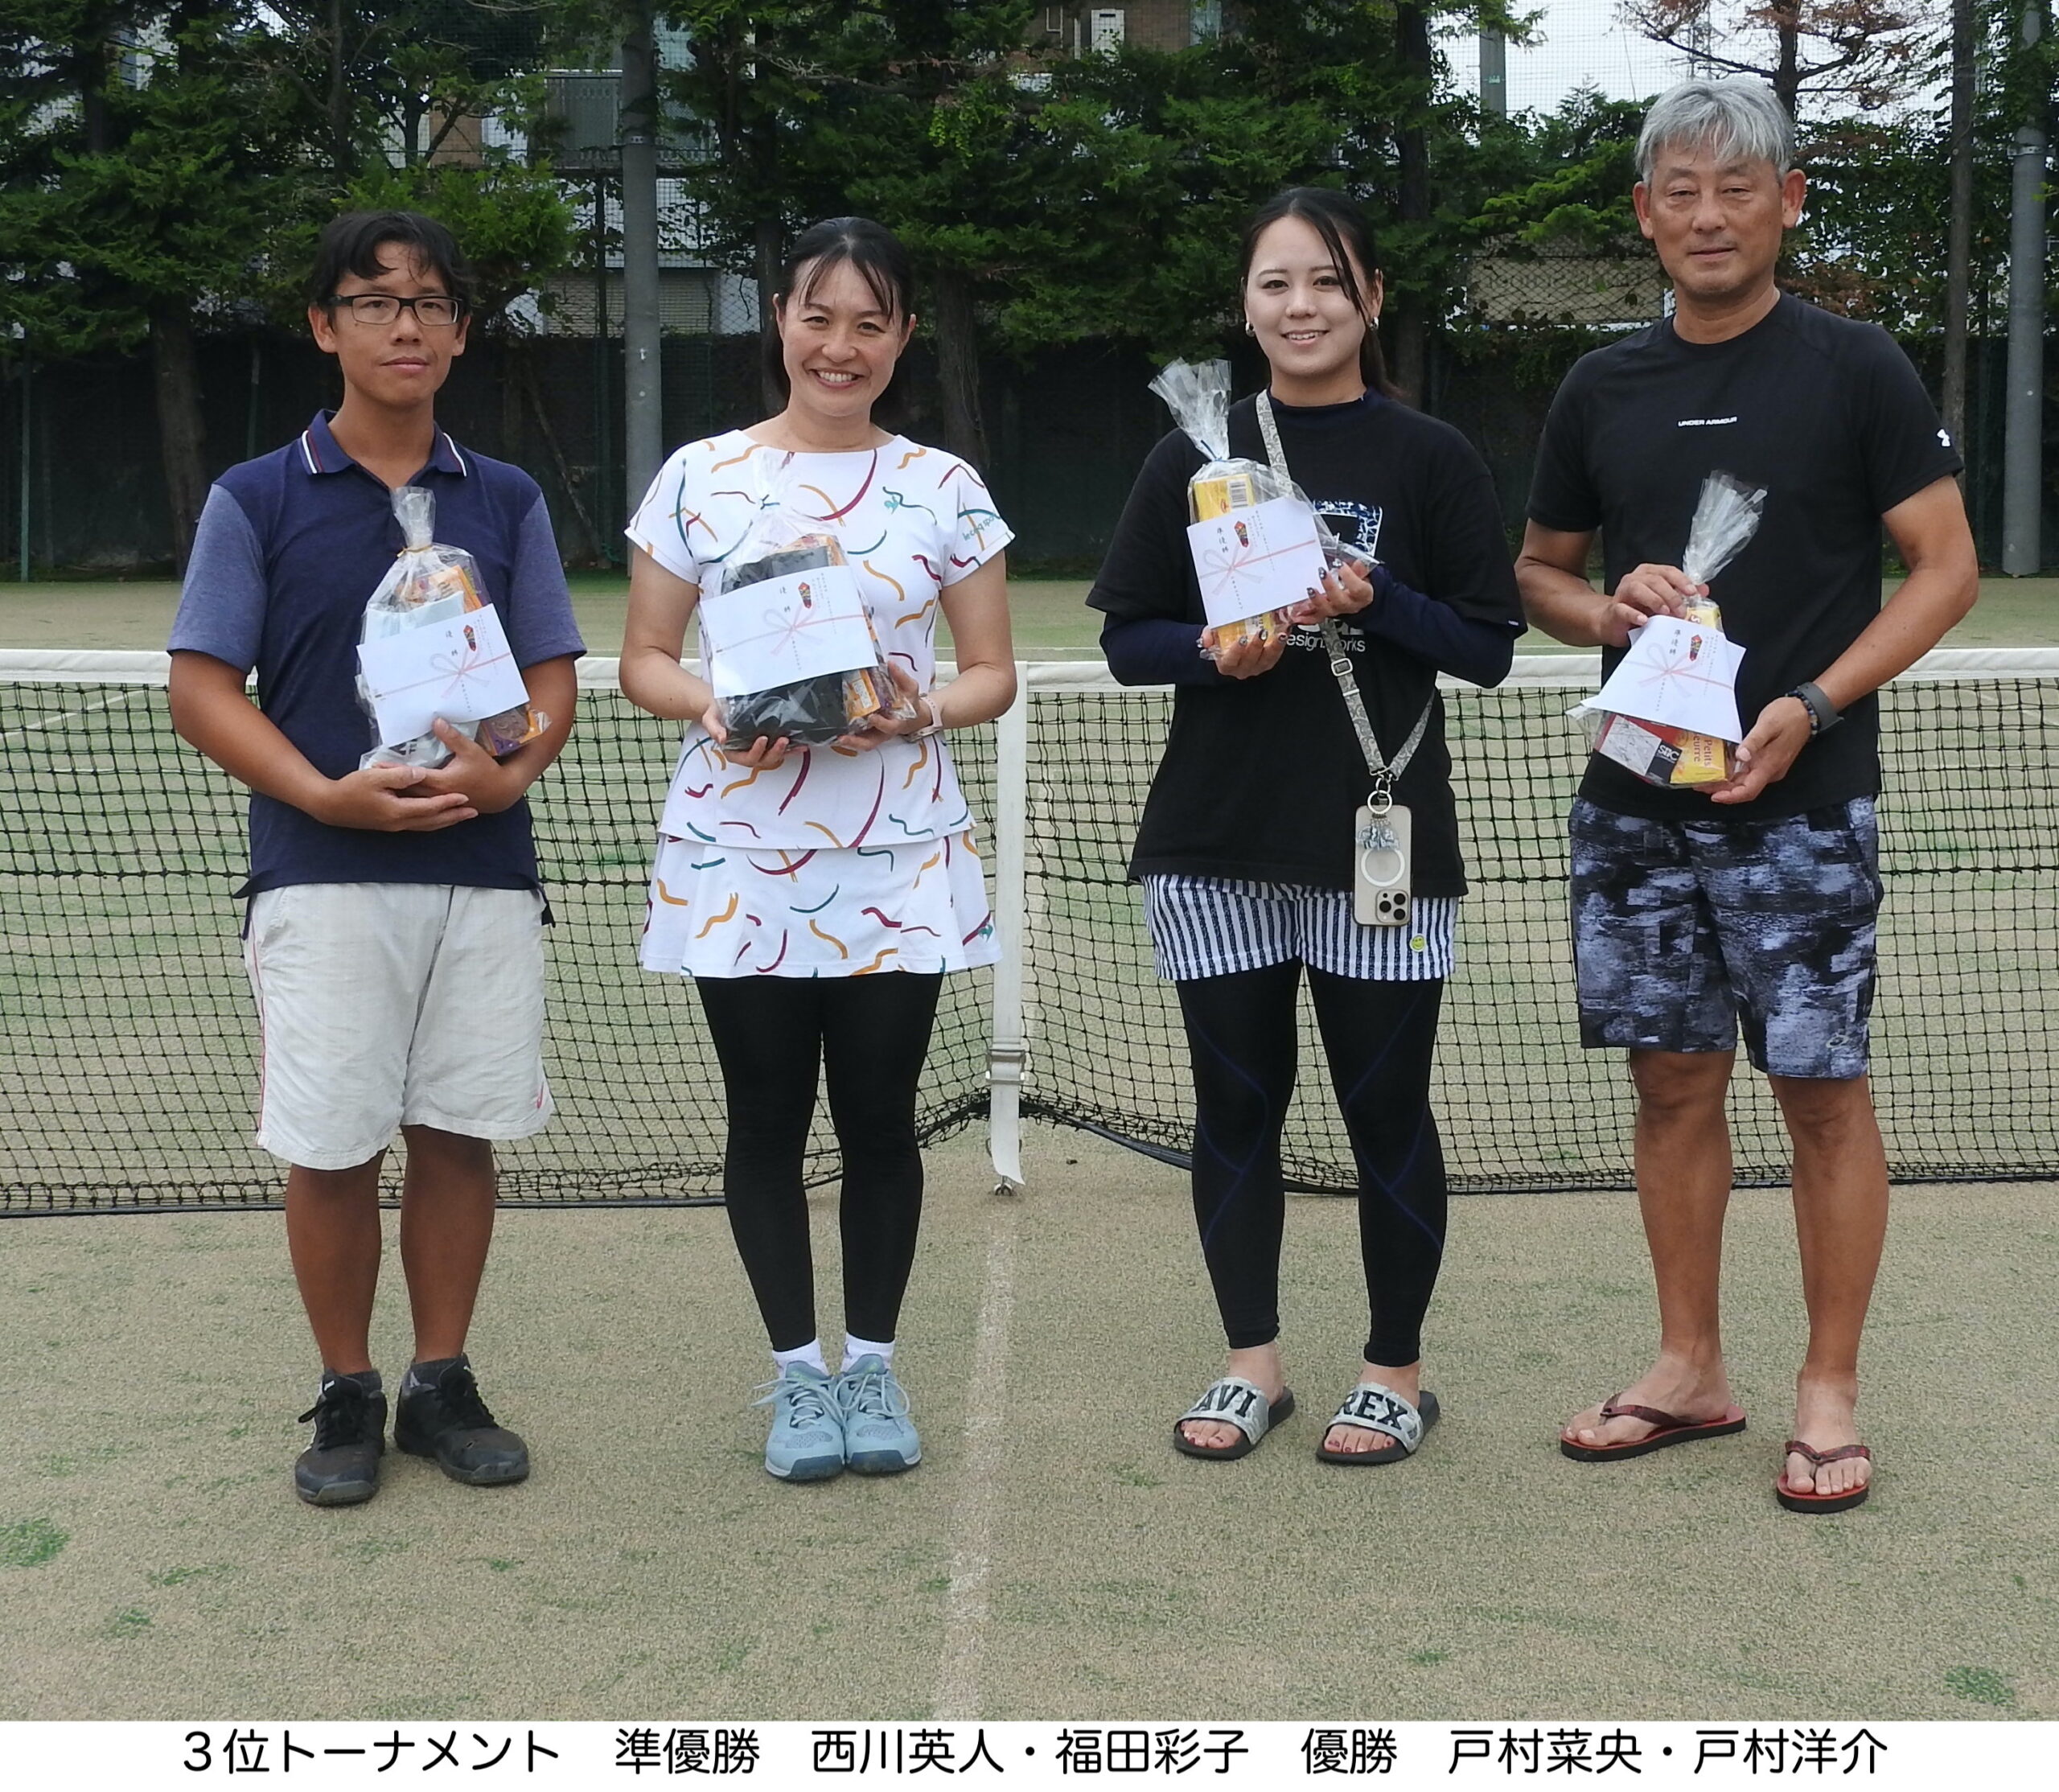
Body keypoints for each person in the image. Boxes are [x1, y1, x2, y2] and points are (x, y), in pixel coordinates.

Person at [1516, 80, 1977, 1513]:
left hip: (1805, 802)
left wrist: (1814, 705)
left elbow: (1946, 568)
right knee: (1669, 1084)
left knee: (1822, 1094)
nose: (1707, 215)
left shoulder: (1856, 368)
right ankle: (1690, 1367)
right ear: (1645, 213)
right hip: (1635, 803)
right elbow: (1539, 575)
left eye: (1736, 188)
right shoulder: (1600, 387)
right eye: (1681, 191)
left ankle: (1827, 1390)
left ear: (1788, 201)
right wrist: (1607, 611)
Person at [1089, 187, 1524, 1465]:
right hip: (1214, 839)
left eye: (1328, 281)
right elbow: (1127, 638)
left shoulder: (1430, 456)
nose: (1301, 306)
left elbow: (1487, 647)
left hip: (1378, 839)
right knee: (1236, 1110)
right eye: (1276, 283)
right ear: (1246, 304)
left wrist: (1375, 598)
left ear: (1372, 299)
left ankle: (1395, 1373)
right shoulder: (1196, 453)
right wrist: (1214, 650)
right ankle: (1252, 1367)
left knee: (1387, 1114)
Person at [167, 211, 586, 1506]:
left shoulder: (506, 498)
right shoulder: (255, 496)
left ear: (459, 332)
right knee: (334, 1144)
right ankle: (346, 1389)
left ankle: (439, 1381)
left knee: (458, 1135)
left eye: (430, 304)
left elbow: (552, 684)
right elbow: (201, 687)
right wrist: (322, 796)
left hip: (482, 874)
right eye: (374, 301)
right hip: (321, 874)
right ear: (323, 325)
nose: (406, 325)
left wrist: (505, 774)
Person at [620, 217, 1016, 1483]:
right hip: (741, 854)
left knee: (883, 1121)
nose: (841, 346)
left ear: (903, 338)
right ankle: (800, 1378)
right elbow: (644, 660)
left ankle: (874, 1366)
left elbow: (991, 673)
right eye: (819, 316)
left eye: (870, 323)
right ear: (780, 319)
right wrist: (713, 708)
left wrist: (920, 709)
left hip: (898, 850)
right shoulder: (700, 476)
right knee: (766, 1122)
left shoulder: (944, 487)